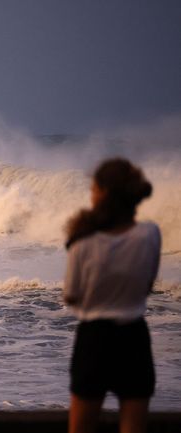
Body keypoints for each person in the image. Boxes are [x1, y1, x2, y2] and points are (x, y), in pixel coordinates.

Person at [63, 158, 160, 433]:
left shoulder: (82, 242)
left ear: (103, 193)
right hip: (134, 339)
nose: (90, 194)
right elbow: (147, 284)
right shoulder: (150, 234)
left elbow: (71, 295)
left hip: (94, 340)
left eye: (93, 188)